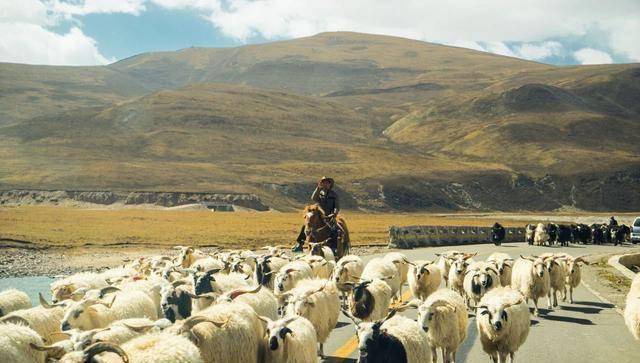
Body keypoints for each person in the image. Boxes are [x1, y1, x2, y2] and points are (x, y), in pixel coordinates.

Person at [293, 177, 340, 252]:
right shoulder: (319, 193)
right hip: (319, 215)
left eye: (327, 183)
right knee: (306, 225)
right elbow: (313, 198)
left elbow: (336, 207)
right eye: (323, 183)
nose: (325, 184)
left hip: (329, 216)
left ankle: (334, 247)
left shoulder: (334, 195)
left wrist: (334, 214)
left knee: (334, 229)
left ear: (330, 184)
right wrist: (318, 187)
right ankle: (300, 244)